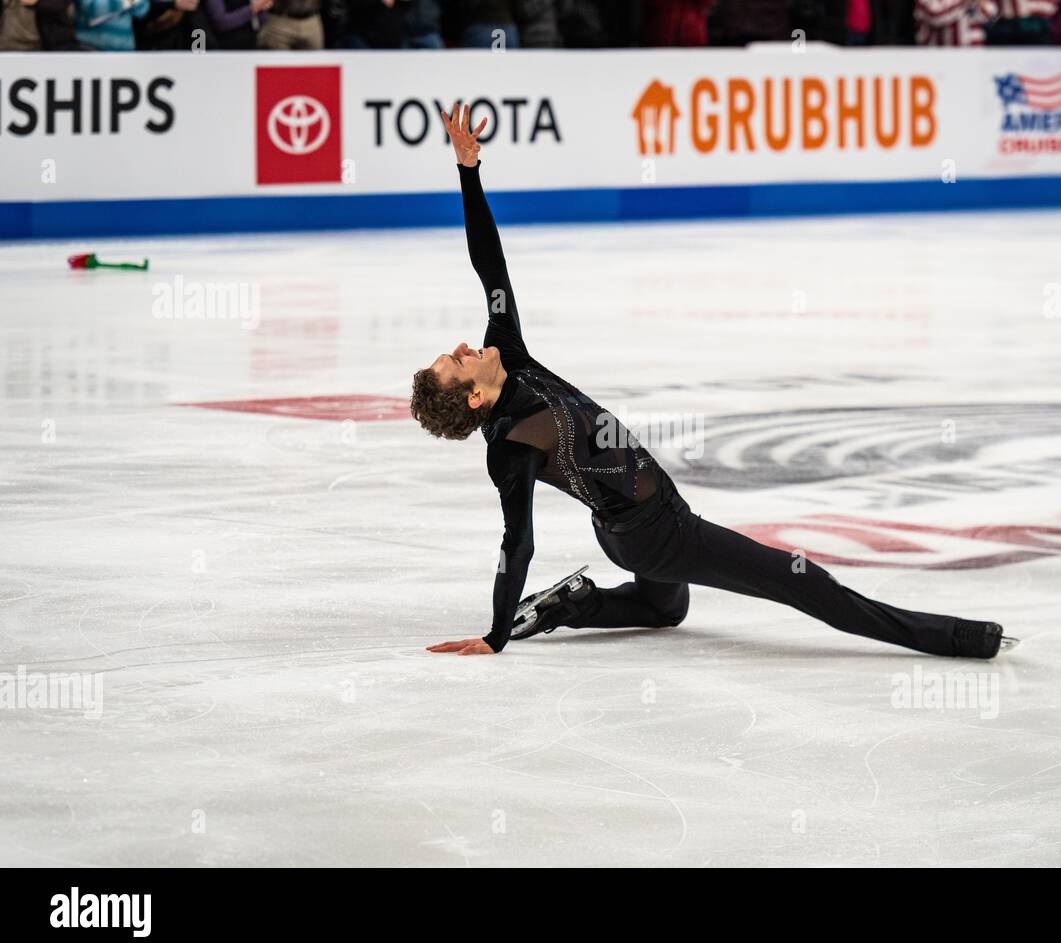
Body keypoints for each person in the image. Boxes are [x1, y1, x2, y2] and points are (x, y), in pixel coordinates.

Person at [416, 104, 1014, 658]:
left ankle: (573, 606)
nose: (467, 346)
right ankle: (960, 638)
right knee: (799, 579)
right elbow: (516, 540)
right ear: (474, 395)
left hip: (628, 532)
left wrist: (468, 171)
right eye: (458, 359)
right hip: (656, 535)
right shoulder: (511, 445)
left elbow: (488, 261)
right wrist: (496, 634)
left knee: (664, 609)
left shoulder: (510, 353)